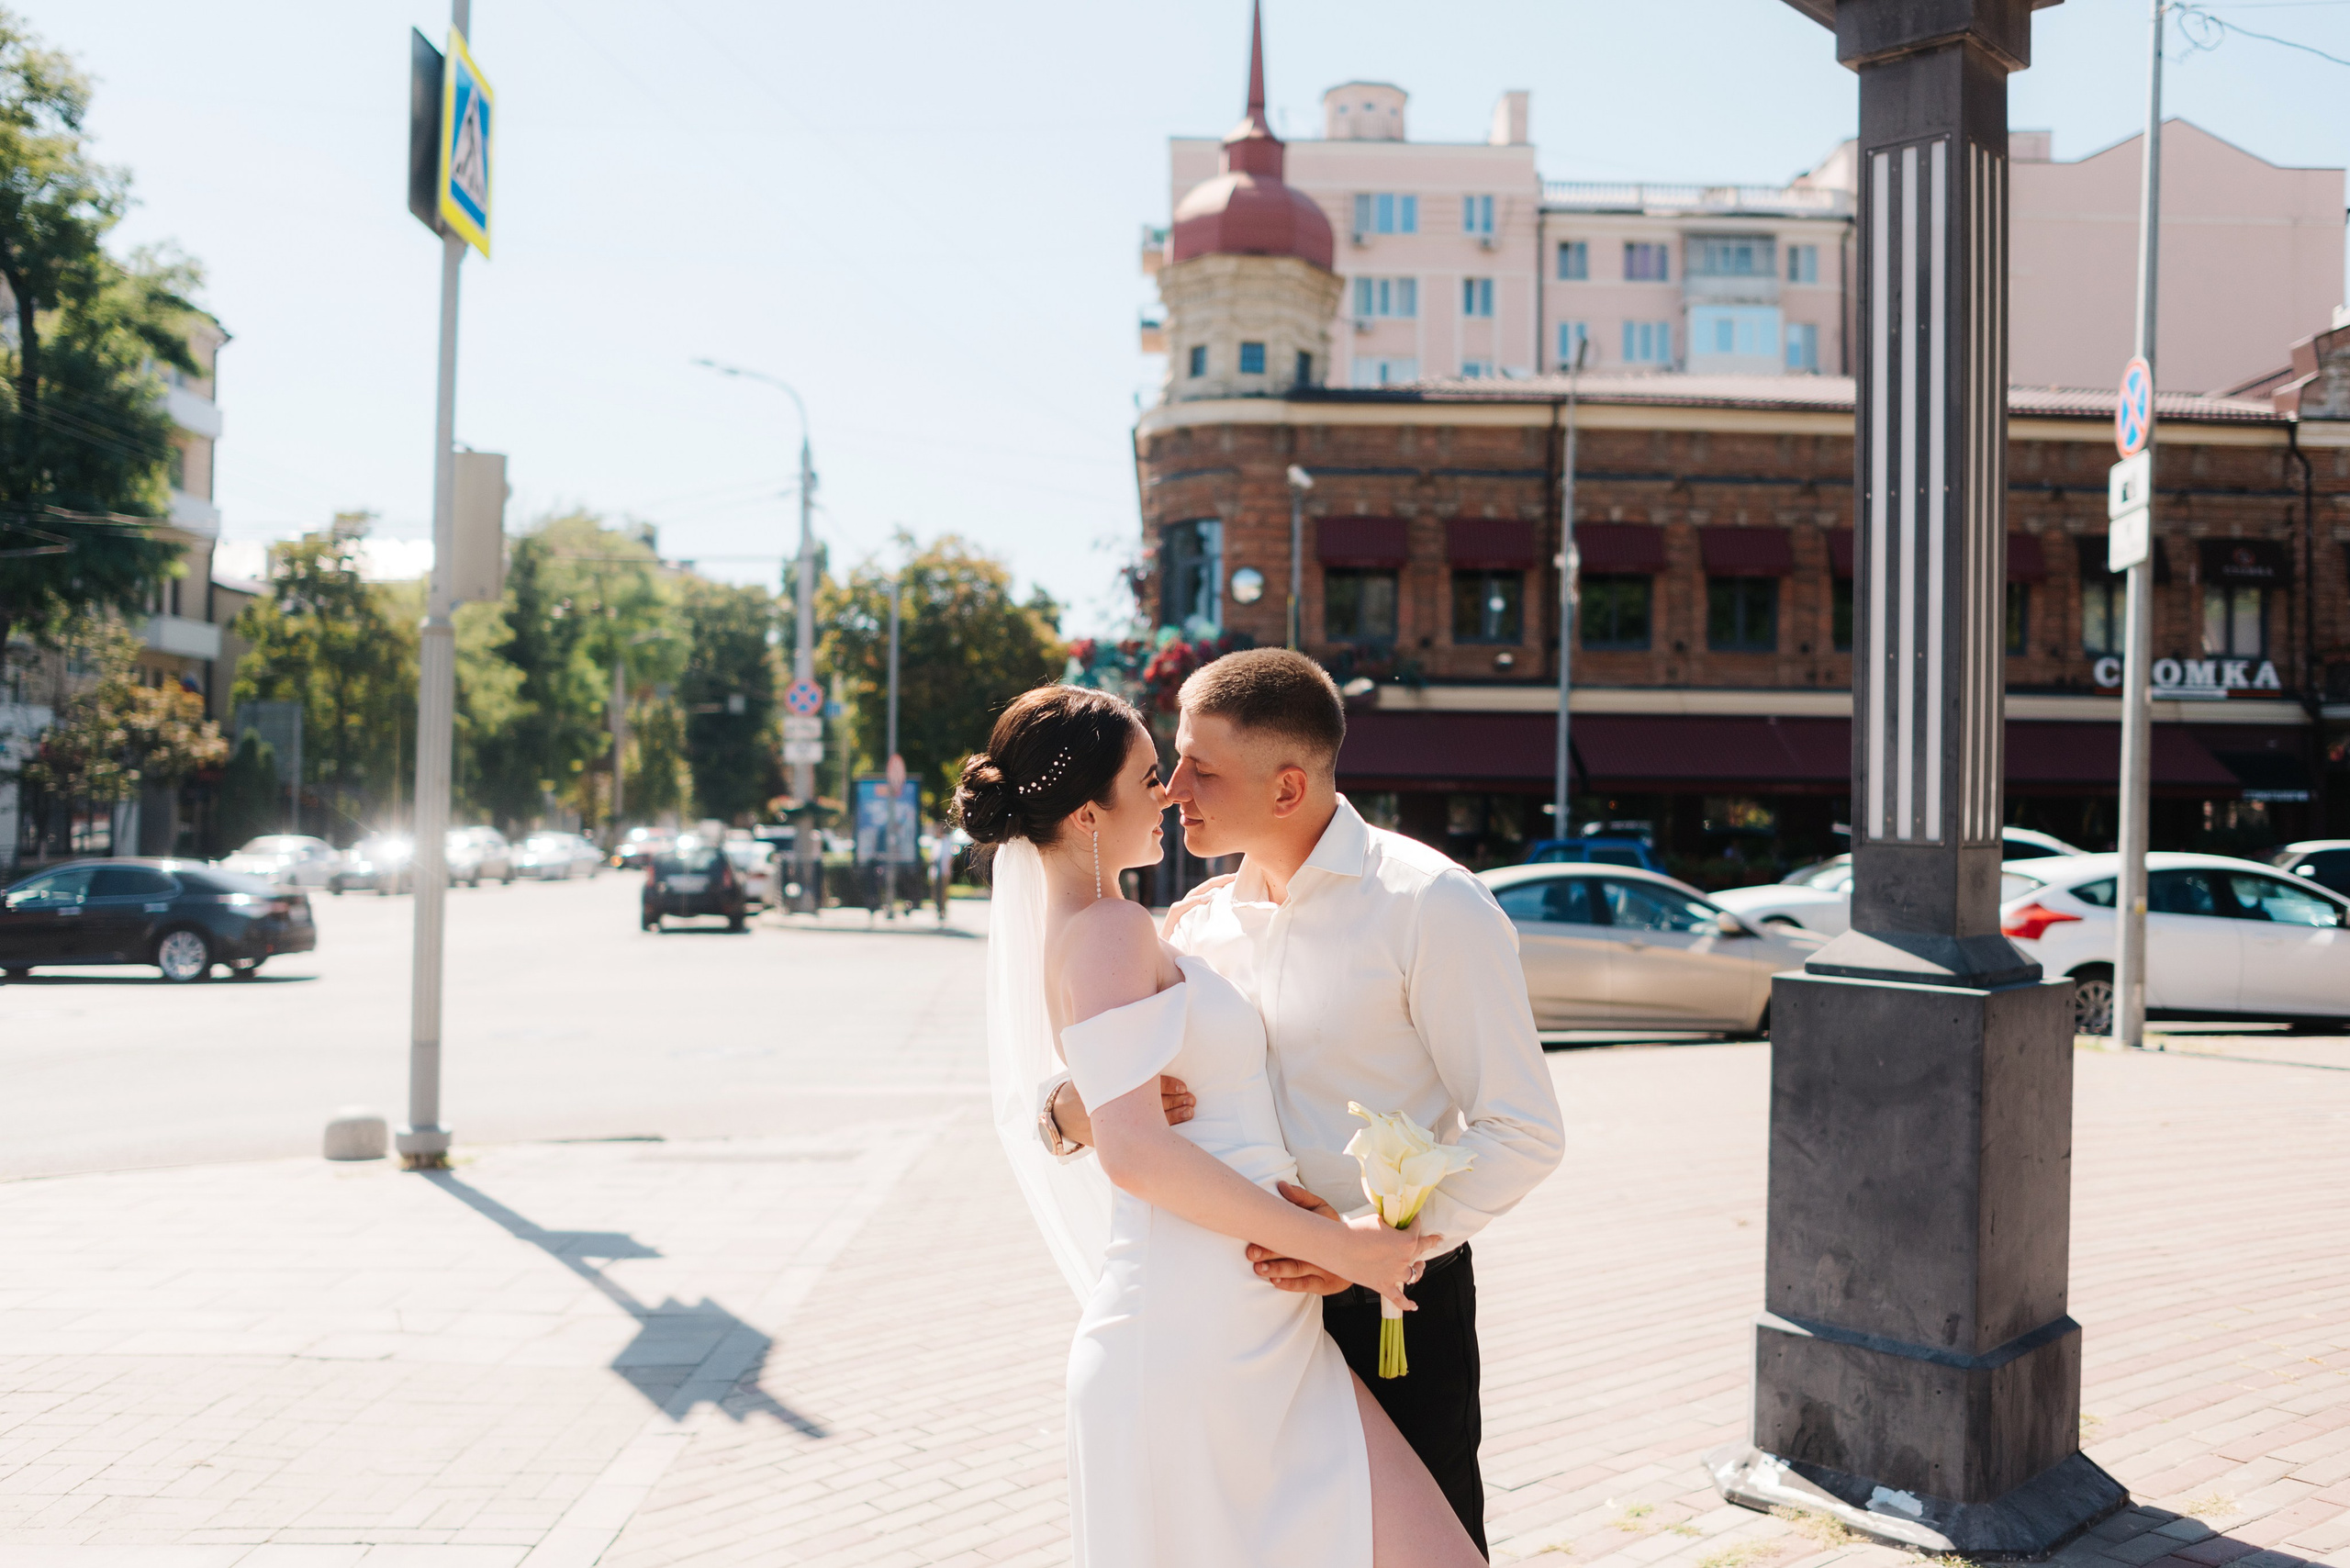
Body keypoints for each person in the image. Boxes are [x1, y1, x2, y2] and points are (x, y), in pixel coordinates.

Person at [1044, 650, 1565, 1556]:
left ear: (1288, 787)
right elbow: (1104, 1099)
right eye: (1173, 760)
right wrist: (1067, 1117)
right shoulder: (1194, 924)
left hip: (1389, 1302)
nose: (1171, 790)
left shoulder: (1430, 905)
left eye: (1201, 769)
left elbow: (1524, 1129)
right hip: (1233, 1317)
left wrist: (1364, 1244)